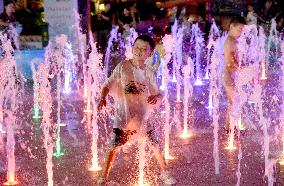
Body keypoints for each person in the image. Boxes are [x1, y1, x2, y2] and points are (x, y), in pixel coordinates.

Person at [97, 34, 176, 185]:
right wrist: (102, 98)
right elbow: (108, 83)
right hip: (124, 115)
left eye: (143, 49)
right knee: (114, 147)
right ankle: (103, 177)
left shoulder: (149, 73)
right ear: (132, 48)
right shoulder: (122, 66)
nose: (139, 51)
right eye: (137, 47)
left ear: (150, 53)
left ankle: (165, 173)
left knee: (155, 145)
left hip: (142, 116)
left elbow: (158, 94)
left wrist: (156, 98)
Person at [222, 16, 245, 133]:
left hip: (228, 75)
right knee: (234, 102)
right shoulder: (230, 41)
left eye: (243, 30)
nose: (241, 32)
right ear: (232, 26)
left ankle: (229, 127)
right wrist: (242, 68)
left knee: (232, 102)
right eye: (240, 29)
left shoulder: (232, 40)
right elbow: (230, 62)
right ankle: (229, 128)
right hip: (228, 75)